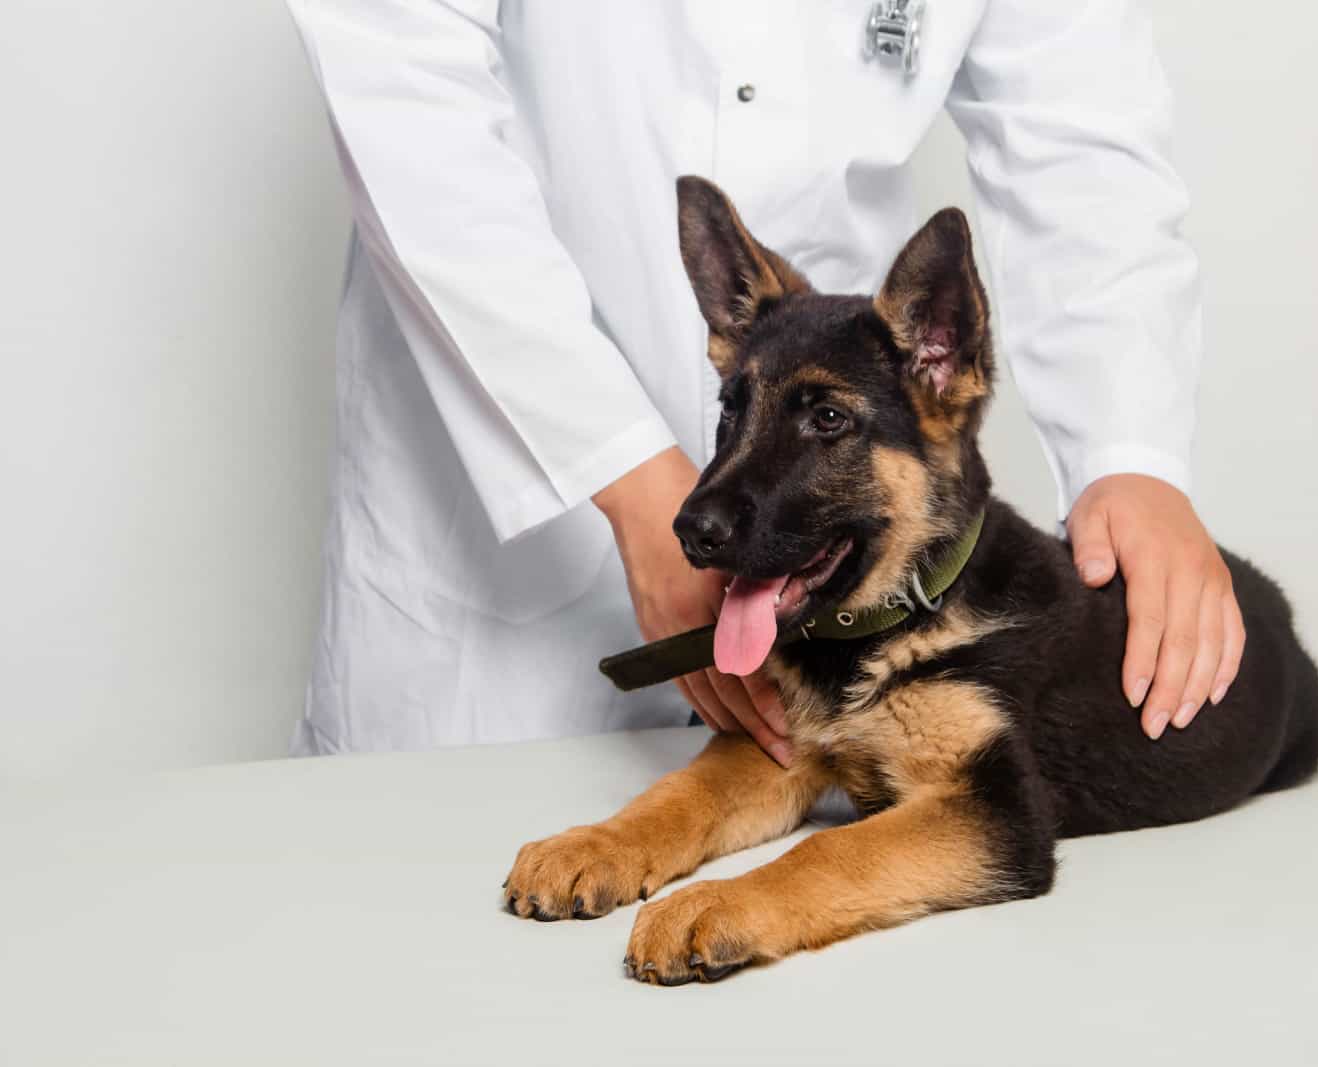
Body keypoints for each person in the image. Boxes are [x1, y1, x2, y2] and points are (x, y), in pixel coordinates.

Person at [283, 0, 1245, 766]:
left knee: (805, 970)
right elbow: (403, 100)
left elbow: (1077, 139)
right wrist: (625, 472)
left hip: (830, 586)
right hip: (489, 585)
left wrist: (1131, 451)